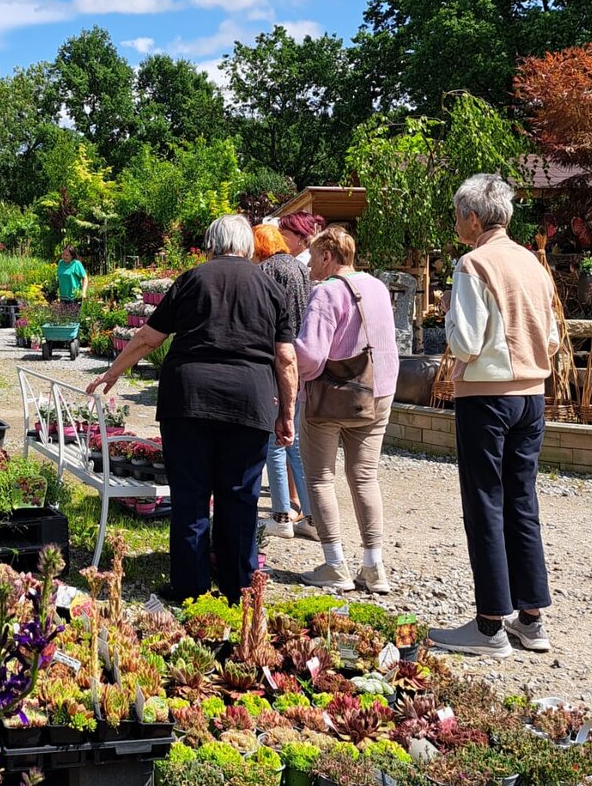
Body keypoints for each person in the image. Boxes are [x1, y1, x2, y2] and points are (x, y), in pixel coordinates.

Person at [86, 214, 297, 603]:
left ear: (211, 244)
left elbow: (149, 337)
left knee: (190, 496)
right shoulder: (270, 287)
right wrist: (287, 412)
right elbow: (285, 358)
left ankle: (190, 589)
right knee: (240, 498)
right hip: (248, 402)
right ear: (247, 245)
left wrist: (113, 372)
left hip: (188, 400)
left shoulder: (192, 280)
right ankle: (238, 591)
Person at [428, 174, 558, 659]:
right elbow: (552, 338)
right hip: (532, 395)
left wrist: (448, 311)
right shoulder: (532, 263)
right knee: (522, 501)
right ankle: (531, 619)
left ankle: (489, 626)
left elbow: (465, 343)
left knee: (484, 501)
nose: (456, 222)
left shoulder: (473, 263)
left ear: (473, 218)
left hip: (485, 396)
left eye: (458, 215)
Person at [293, 226, 399, 595]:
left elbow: (310, 356)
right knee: (365, 477)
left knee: (320, 478)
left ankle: (335, 564)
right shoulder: (378, 286)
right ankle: (374, 566)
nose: (309, 266)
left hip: (330, 397)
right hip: (378, 392)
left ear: (327, 256)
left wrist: (284, 352)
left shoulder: (325, 292)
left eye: (312, 257)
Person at [252, 223, 318, 542]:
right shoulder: (300, 268)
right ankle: (313, 516)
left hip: (274, 357)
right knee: (295, 440)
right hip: (299, 358)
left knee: (274, 440)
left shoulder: (264, 271)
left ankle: (280, 515)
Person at [55, 244, 88, 310]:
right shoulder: (60, 263)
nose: (64, 257)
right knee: (63, 316)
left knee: (73, 316)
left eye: (67, 255)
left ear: (72, 256)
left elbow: (85, 278)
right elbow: (59, 277)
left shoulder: (76, 264)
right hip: (63, 297)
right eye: (63, 254)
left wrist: (83, 292)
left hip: (74, 298)